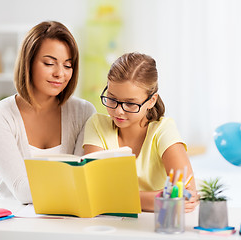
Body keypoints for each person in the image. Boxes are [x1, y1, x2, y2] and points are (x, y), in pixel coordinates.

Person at [0, 21, 96, 204]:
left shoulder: (83, 112)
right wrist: (73, 184)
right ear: (28, 63)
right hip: (15, 223)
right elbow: (22, 191)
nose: (60, 73)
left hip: (70, 220)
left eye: (68, 65)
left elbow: (82, 181)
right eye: (49, 63)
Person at [83, 52, 199, 212]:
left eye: (130, 104)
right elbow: (94, 191)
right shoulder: (96, 125)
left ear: (151, 100)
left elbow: (187, 195)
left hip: (158, 225)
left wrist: (117, 198)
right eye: (112, 99)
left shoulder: (163, 130)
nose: (118, 111)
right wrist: (160, 199)